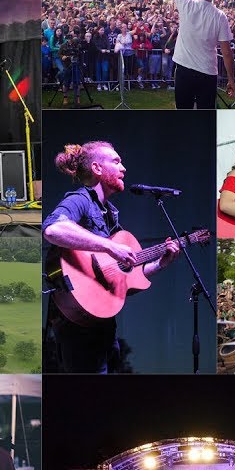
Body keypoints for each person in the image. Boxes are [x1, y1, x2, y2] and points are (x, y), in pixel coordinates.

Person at [42, 141, 180, 373]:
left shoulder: (110, 214)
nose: (123, 168)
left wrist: (160, 263)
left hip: (103, 322)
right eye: (116, 162)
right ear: (97, 168)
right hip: (77, 324)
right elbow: (53, 229)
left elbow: (124, 276)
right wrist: (109, 246)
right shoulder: (80, 200)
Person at [150, 0, 235, 108]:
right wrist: (231, 80)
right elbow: (226, 53)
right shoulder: (220, 16)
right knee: (206, 117)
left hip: (183, 69)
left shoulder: (186, 4)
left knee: (184, 115)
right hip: (207, 72)